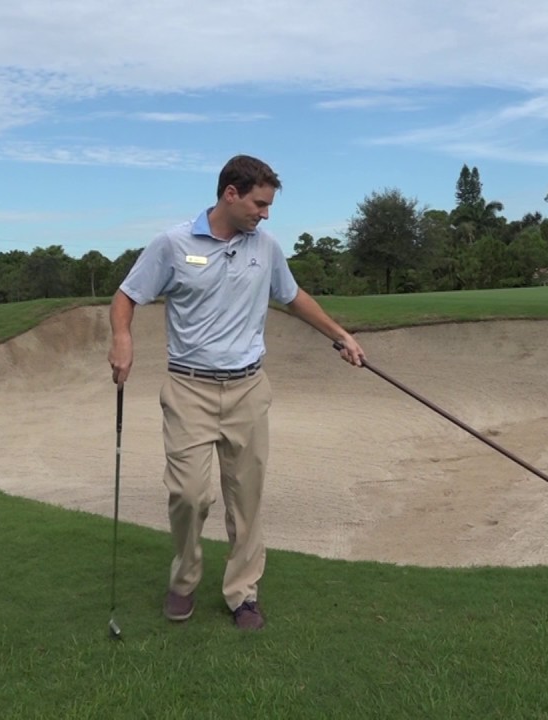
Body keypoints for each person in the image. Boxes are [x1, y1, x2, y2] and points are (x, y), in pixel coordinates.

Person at [107, 154, 365, 631]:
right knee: (189, 495)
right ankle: (184, 579)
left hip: (248, 387)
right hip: (189, 388)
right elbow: (126, 296)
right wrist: (122, 337)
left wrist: (339, 334)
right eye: (259, 204)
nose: (264, 214)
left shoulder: (265, 247)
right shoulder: (172, 244)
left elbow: (292, 296)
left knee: (245, 498)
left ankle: (242, 593)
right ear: (231, 193)